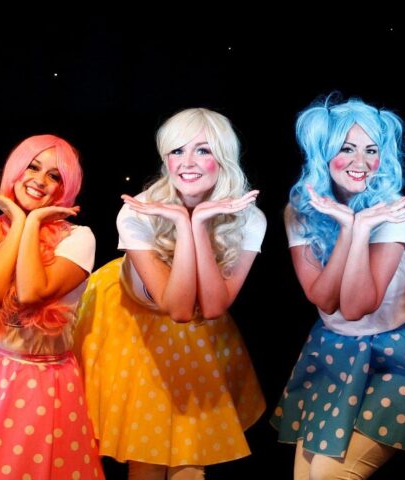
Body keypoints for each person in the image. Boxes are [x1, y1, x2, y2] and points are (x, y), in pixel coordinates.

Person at [75, 107, 266, 479]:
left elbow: (213, 307)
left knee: (190, 453)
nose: (187, 162)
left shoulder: (249, 218)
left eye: (203, 150)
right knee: (145, 452)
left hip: (197, 328)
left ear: (223, 157)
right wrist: (182, 220)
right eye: (177, 151)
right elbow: (176, 307)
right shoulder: (137, 212)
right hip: (132, 323)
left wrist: (198, 225)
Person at [270, 95, 405, 479]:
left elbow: (357, 305)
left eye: (371, 150)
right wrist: (348, 229)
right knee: (305, 475)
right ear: (323, 153)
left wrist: (361, 230)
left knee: (328, 475)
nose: (360, 162)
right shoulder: (301, 211)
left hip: (400, 354)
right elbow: (324, 299)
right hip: (336, 349)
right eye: (347, 148)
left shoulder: (393, 213)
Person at [0, 134, 104, 479]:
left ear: (65, 187)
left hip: (42, 379)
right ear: (15, 170)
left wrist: (31, 222)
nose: (40, 180)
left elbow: (32, 292)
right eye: (32, 167)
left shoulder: (79, 238)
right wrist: (18, 222)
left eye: (54, 175)